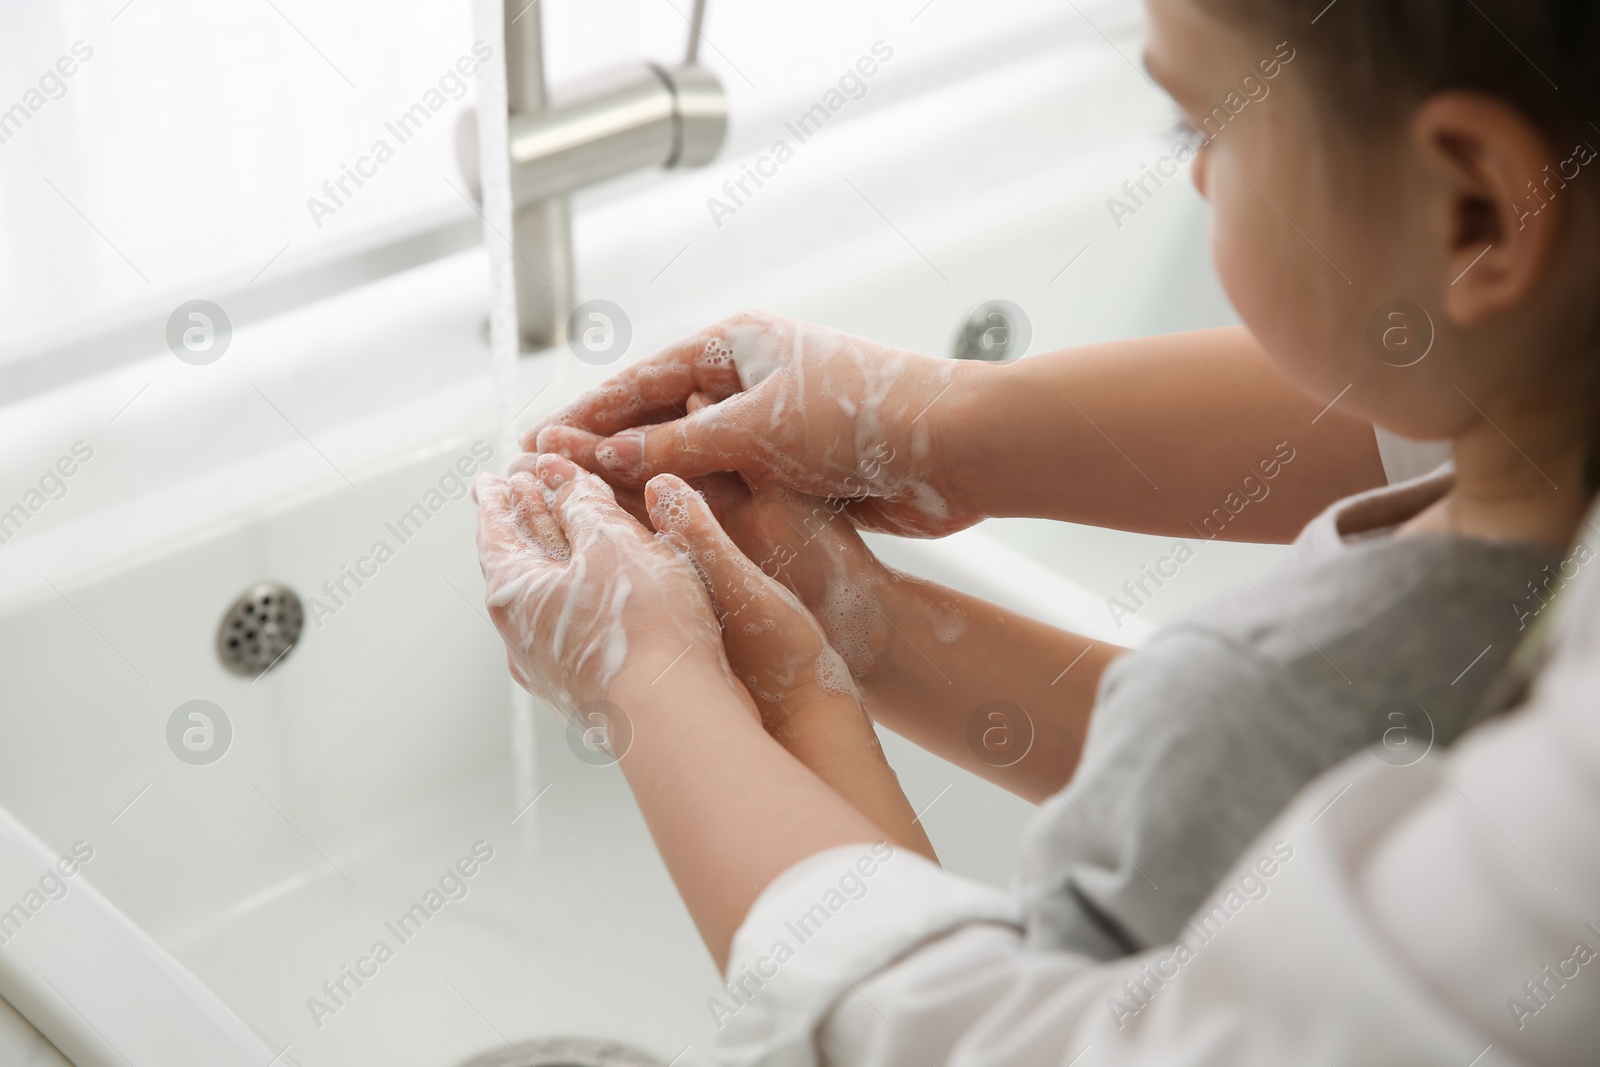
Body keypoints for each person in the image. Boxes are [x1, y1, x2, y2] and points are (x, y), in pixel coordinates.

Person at [473, 0, 1600, 1061]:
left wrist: (654, 679)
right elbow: (1238, 793)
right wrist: (892, 537)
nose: (1198, 173)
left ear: (1476, 213)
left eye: (1199, 121)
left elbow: (1026, 1034)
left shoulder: (1284, 697)